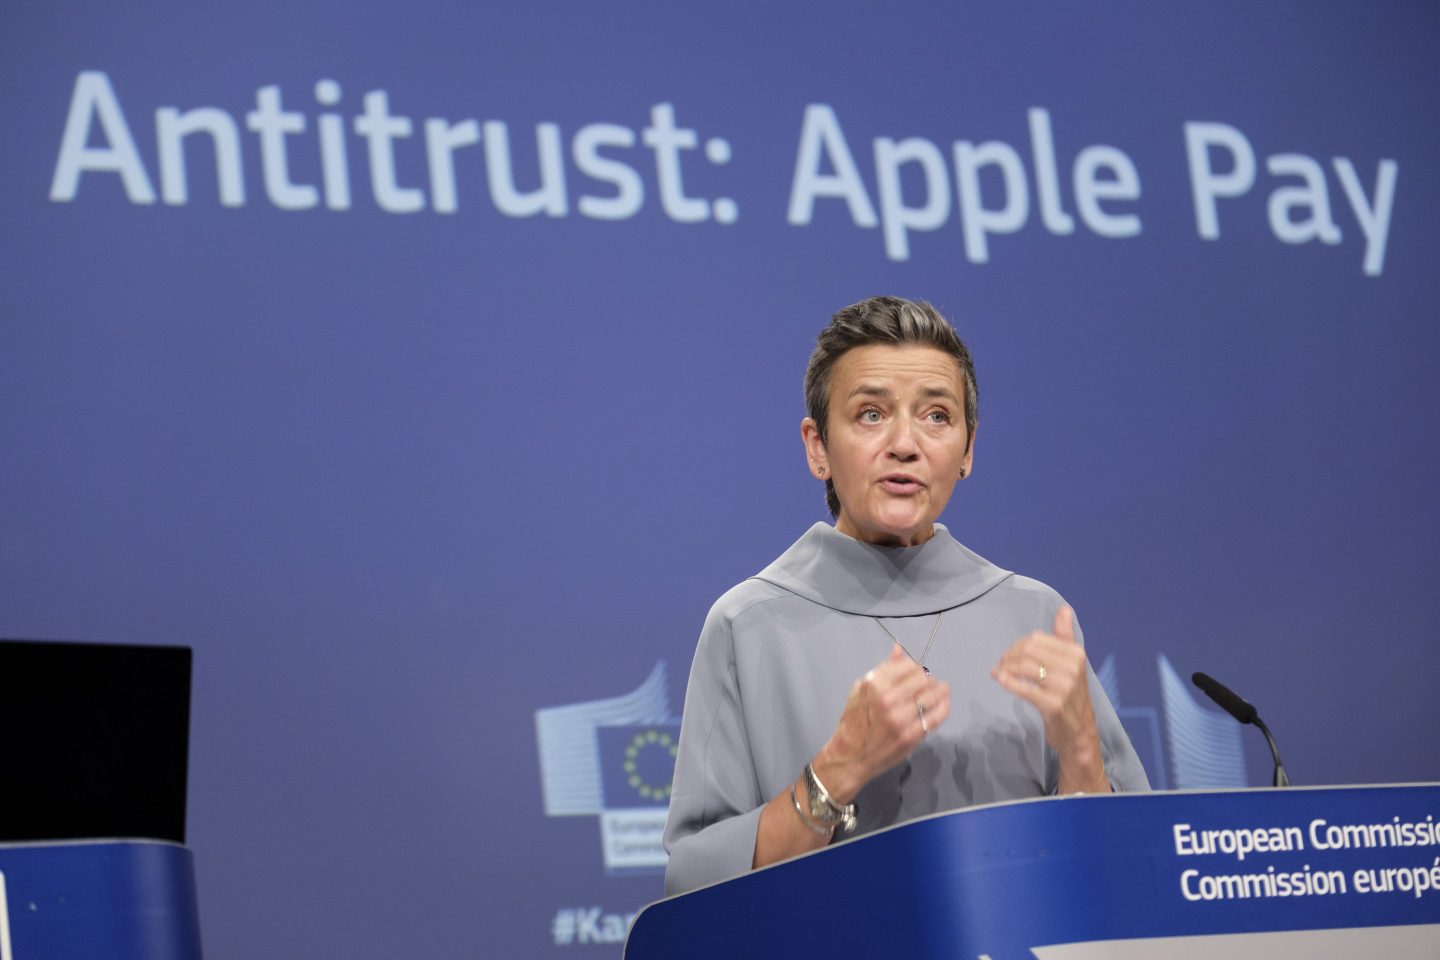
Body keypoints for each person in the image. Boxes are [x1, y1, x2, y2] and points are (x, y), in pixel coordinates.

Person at [662, 296, 1149, 896]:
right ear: (817, 447)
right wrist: (835, 770)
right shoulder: (750, 623)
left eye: (937, 416)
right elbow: (693, 886)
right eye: (871, 414)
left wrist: (1079, 752)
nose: (905, 444)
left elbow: (1126, 878)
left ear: (967, 450)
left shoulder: (1034, 614)